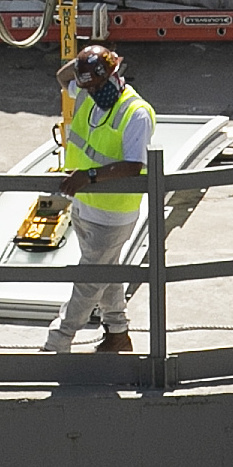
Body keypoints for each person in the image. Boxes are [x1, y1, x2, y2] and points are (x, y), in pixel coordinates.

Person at [41, 42, 164, 356]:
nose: (96, 92)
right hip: (85, 206)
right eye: (90, 86)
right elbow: (61, 77)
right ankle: (118, 334)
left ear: (116, 74)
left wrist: (89, 177)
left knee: (87, 283)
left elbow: (133, 165)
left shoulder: (135, 113)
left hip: (112, 214)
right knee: (106, 274)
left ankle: (57, 344)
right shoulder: (88, 94)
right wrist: (85, 58)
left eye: (98, 84)